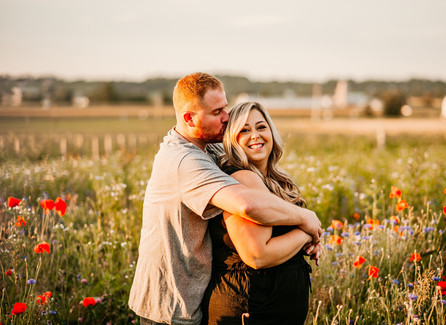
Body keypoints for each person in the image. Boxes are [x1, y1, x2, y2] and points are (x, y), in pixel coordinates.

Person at [128, 73, 322, 325]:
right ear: (189, 118)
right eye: (217, 111)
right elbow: (247, 205)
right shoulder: (183, 161)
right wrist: (309, 222)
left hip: (193, 296)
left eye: (226, 107)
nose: (226, 117)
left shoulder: (211, 147)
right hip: (171, 305)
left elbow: (245, 157)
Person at [202, 102, 321, 325]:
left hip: (267, 307)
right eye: (244, 130)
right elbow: (258, 255)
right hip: (249, 307)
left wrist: (304, 237)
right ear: (232, 140)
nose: (255, 135)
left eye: (261, 127)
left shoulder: (272, 180)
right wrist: (308, 233)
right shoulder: (242, 178)